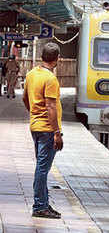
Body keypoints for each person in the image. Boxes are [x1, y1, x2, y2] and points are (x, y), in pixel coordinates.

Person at [22, 42, 63, 219]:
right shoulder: (50, 79)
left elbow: (25, 98)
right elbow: (51, 106)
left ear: (42, 56)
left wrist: (35, 114)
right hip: (47, 129)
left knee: (42, 167)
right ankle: (39, 206)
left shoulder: (31, 74)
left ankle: (44, 203)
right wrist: (57, 133)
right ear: (57, 60)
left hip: (36, 126)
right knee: (42, 168)